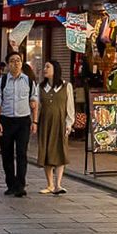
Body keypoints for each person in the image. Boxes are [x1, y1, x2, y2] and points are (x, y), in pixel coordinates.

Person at [0, 52, 38, 196]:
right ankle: (10, 184)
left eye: (18, 60)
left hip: (23, 121)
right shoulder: (2, 82)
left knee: (22, 153)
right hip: (6, 120)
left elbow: (35, 101)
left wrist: (35, 121)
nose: (16, 63)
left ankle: (20, 185)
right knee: (7, 154)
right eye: (12, 61)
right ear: (7, 64)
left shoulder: (28, 81)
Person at [37, 59, 72, 195]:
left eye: (47, 67)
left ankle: (58, 184)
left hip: (60, 123)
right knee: (46, 152)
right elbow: (38, 107)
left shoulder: (65, 86)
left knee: (60, 151)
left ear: (55, 70)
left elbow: (70, 107)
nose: (45, 69)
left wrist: (69, 124)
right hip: (45, 123)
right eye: (45, 67)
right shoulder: (40, 87)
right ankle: (50, 184)